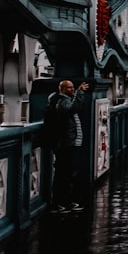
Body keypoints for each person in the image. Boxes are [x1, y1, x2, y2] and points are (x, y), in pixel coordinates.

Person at [50, 79, 89, 214]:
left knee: (68, 174)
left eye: (73, 87)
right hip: (66, 144)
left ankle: (66, 201)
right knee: (64, 174)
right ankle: (59, 203)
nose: (72, 90)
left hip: (70, 142)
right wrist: (79, 93)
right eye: (69, 88)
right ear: (62, 89)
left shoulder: (65, 100)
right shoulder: (62, 101)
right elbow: (73, 109)